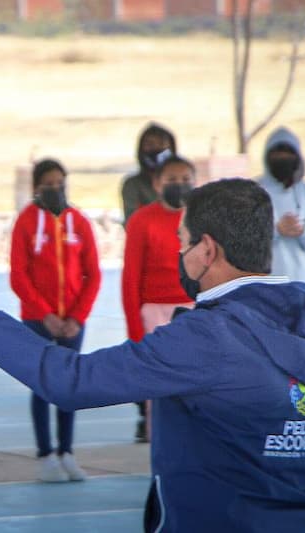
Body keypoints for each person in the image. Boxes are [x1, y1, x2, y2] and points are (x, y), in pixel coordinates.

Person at [0, 179, 305, 532]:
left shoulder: (208, 338)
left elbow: (73, 380)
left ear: (207, 250)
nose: (178, 254)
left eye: (182, 242)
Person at [9, 158, 101, 482]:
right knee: (42, 384)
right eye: (48, 184)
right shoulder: (25, 222)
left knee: (68, 384)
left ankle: (67, 451)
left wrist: (77, 316)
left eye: (60, 183)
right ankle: (45, 454)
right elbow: (19, 276)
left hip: (72, 322)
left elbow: (93, 274)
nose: (55, 189)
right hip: (38, 320)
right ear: (36, 188)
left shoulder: (80, 221)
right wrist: (44, 313)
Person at [122, 156, 195, 442]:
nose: (180, 186)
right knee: (159, 390)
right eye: (172, 181)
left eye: (186, 180)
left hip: (194, 308)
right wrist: (135, 331)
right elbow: (131, 278)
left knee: (194, 385)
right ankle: (162, 452)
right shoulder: (142, 220)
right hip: (154, 312)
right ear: (156, 183)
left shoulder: (201, 217)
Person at [258, 127, 305, 286]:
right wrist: (276, 231)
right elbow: (239, 242)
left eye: (288, 152)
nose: (283, 157)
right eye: (277, 152)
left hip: (302, 285)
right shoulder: (252, 191)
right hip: (264, 286)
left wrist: (303, 232)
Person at [120, 122, 177, 223]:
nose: (156, 149)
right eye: (150, 145)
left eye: (161, 144)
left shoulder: (181, 182)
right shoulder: (133, 185)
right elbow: (132, 223)